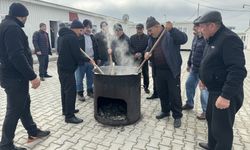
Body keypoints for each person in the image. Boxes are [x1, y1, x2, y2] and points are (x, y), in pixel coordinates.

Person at [0, 3, 50, 150]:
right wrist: (33, 76)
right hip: (15, 78)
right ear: (22, 16)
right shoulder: (13, 28)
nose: (26, 20)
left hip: (11, 76)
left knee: (24, 105)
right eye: (26, 17)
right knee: (14, 110)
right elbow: (16, 55)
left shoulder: (5, 25)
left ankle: (33, 132)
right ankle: (5, 144)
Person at [196, 11, 247, 150]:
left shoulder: (229, 39)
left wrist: (225, 96)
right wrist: (203, 79)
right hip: (213, 90)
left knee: (222, 130)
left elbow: (238, 71)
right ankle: (212, 145)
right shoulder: (211, 38)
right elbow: (209, 63)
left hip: (224, 93)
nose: (200, 30)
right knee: (211, 120)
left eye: (202, 27)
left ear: (212, 25)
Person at [144, 17, 187, 128]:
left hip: (172, 70)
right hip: (158, 70)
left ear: (157, 27)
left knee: (174, 94)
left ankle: (177, 116)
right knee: (162, 92)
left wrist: (172, 29)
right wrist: (147, 53)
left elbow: (184, 39)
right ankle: (165, 111)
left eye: (150, 30)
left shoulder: (169, 34)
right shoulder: (151, 38)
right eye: (148, 31)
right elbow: (148, 48)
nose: (148, 33)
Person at [57, 20, 92, 124]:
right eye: (81, 30)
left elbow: (60, 51)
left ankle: (66, 110)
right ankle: (69, 116)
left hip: (61, 67)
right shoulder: (72, 37)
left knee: (64, 90)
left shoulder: (62, 36)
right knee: (70, 92)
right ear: (75, 28)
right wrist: (88, 60)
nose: (81, 33)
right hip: (67, 69)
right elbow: (77, 55)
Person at [182, 18, 208, 120]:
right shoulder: (196, 38)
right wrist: (189, 64)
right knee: (188, 84)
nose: (194, 28)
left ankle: (206, 111)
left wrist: (205, 71)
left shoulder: (207, 39)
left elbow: (208, 56)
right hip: (194, 68)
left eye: (195, 26)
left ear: (201, 27)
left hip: (203, 71)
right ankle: (189, 103)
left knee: (204, 91)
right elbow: (192, 52)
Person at [75, 19, 99, 101]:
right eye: (86, 27)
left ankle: (90, 91)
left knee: (90, 78)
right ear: (83, 28)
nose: (88, 29)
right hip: (81, 62)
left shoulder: (92, 37)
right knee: (79, 78)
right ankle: (80, 93)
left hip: (91, 61)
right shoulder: (79, 37)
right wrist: (86, 59)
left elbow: (96, 48)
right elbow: (78, 52)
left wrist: (96, 58)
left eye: (90, 27)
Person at [130, 23, 150, 93]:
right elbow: (130, 47)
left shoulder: (147, 38)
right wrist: (134, 53)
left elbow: (148, 47)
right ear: (136, 29)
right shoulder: (132, 37)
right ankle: (134, 86)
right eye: (138, 29)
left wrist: (141, 53)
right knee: (135, 73)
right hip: (134, 58)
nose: (139, 30)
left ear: (143, 29)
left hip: (144, 58)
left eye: (140, 29)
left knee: (145, 73)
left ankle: (146, 87)